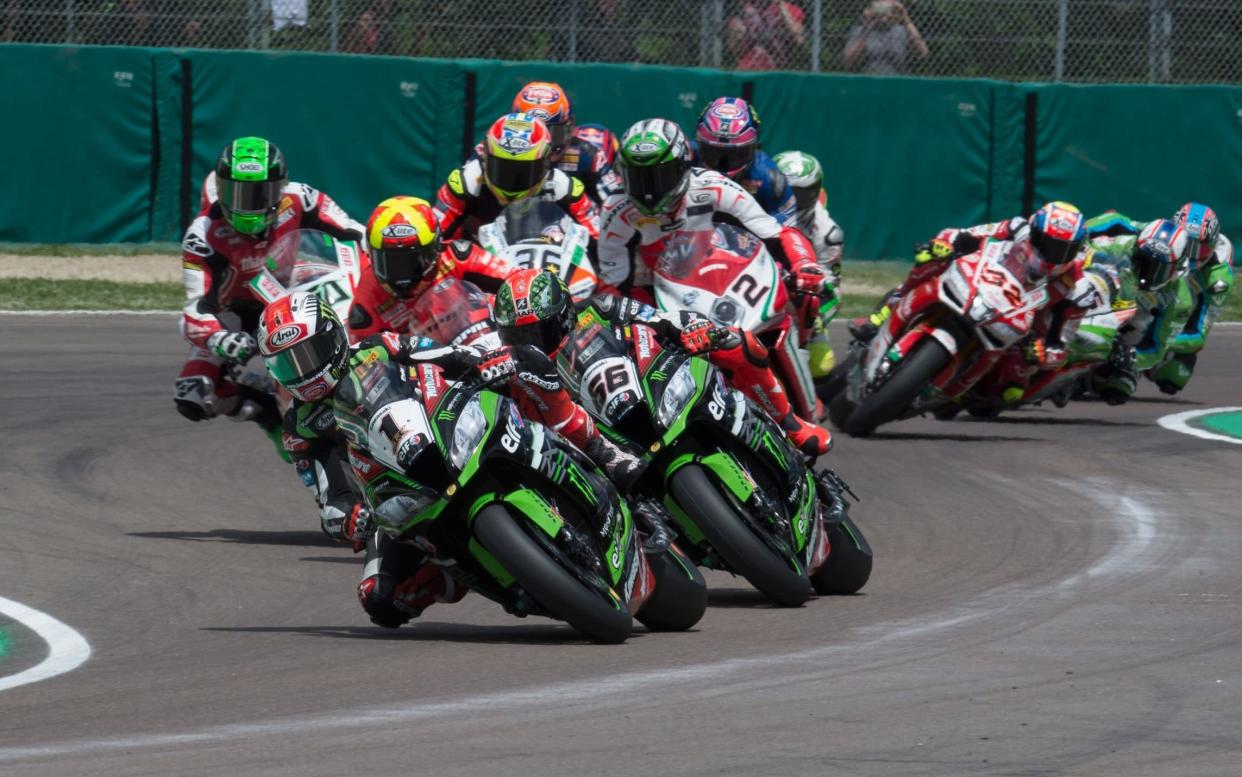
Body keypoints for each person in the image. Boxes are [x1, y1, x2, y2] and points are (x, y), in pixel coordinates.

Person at [258, 291, 482, 627]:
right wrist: (349, 519)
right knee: (379, 598)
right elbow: (329, 499)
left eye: (307, 355)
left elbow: (447, 355)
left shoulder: (380, 346)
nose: (301, 372)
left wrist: (481, 361)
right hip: (391, 499)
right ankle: (459, 572)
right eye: (288, 364)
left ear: (332, 338)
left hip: (447, 433)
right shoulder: (299, 427)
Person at [490, 269, 832, 457]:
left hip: (651, 385)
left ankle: (791, 425)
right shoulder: (519, 375)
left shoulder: (599, 308)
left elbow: (659, 318)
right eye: (520, 339)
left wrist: (695, 328)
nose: (532, 346)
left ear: (563, 313)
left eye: (540, 332)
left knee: (738, 342)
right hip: (600, 442)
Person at [175, 137, 364, 440]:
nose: (245, 204)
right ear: (220, 190)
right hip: (237, 314)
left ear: (279, 188)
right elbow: (194, 311)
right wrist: (221, 338)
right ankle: (266, 413)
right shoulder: (203, 235)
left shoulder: (301, 197)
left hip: (294, 294)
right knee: (193, 393)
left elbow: (354, 231)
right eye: (235, 192)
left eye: (257, 193)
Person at [598, 118, 827, 306]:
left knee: (802, 299)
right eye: (637, 179)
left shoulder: (715, 188)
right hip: (652, 293)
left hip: (720, 281)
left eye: (658, 177)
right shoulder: (615, 209)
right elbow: (614, 287)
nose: (648, 192)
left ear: (682, 167)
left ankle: (805, 347)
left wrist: (804, 263)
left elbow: (777, 234)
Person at [346, 195, 517, 340]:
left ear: (436, 247)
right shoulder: (367, 299)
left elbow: (516, 280)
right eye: (390, 262)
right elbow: (363, 360)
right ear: (371, 255)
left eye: (412, 261)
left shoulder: (457, 256)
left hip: (481, 342)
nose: (402, 273)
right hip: (426, 372)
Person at [436, 113, 599, 242]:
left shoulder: (564, 187)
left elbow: (597, 237)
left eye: (523, 172)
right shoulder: (465, 182)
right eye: (503, 168)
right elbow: (434, 233)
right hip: (477, 266)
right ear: (485, 158)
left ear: (545, 165)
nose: (513, 180)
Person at [1085, 215, 1191, 403]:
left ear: (1176, 267)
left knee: (1119, 389)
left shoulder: (1179, 300)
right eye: (1143, 261)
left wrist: (1130, 357)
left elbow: (1158, 348)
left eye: (1159, 268)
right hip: (1091, 306)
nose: (1148, 273)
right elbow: (1080, 256)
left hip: (1124, 337)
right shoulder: (1117, 246)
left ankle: (1093, 375)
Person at [1151, 202, 1235, 394]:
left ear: (1212, 245)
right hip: (1153, 296)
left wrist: (1160, 340)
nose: (1192, 254)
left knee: (1174, 377)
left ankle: (1149, 363)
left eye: (1200, 248)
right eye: (1187, 245)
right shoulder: (1160, 237)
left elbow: (1199, 337)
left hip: (1182, 312)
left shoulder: (1219, 274)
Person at [774, 150, 845, 376]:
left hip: (796, 304)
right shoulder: (753, 208)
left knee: (821, 366)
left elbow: (832, 290)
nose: (793, 201)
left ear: (815, 193)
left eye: (801, 194)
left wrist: (813, 321)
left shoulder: (827, 233)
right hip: (752, 286)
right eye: (787, 192)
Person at [510, 82, 625, 206]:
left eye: (552, 133)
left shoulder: (589, 156)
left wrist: (578, 198)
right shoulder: (495, 153)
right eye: (531, 134)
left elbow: (615, 204)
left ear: (569, 127)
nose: (542, 146)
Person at [695, 97, 797, 224]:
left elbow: (788, 221)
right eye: (712, 152)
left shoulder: (768, 175)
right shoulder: (686, 158)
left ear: (754, 147)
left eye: (734, 155)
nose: (721, 166)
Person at [843, 1, 929, 75]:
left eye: (888, 9)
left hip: (898, 80)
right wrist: (867, 29)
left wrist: (905, 19)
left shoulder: (902, 30)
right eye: (879, 9)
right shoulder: (861, 31)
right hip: (868, 79)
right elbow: (848, 63)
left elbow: (922, 52)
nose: (884, 13)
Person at [724, 0, 807, 71]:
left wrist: (781, 8)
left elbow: (799, 40)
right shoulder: (746, 8)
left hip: (778, 69)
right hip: (748, 67)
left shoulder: (791, 10)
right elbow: (733, 47)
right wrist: (737, 34)